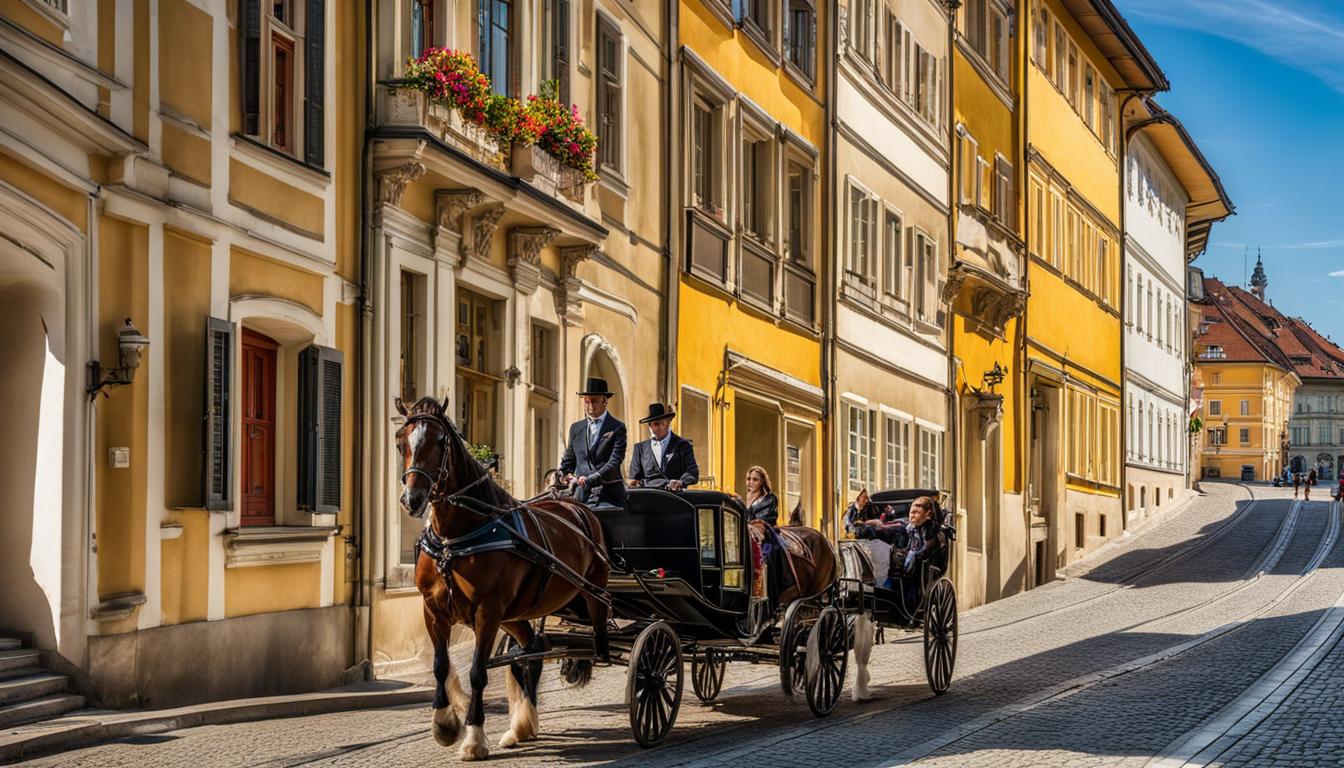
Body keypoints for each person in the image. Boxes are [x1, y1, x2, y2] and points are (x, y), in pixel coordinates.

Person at [559, 377, 628, 508]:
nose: (590, 406)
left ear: (604, 400)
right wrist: (561, 473)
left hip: (608, 496)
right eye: (586, 402)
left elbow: (614, 462)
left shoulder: (618, 427)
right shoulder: (576, 428)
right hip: (580, 496)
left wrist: (591, 479)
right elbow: (569, 460)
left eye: (594, 401)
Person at [627, 402, 700, 491]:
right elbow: (635, 480)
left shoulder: (683, 445)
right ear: (650, 426)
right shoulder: (640, 448)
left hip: (675, 498)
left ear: (668, 422)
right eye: (656, 424)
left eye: (663, 423)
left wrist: (681, 482)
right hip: (648, 499)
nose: (661, 426)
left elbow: (692, 472)